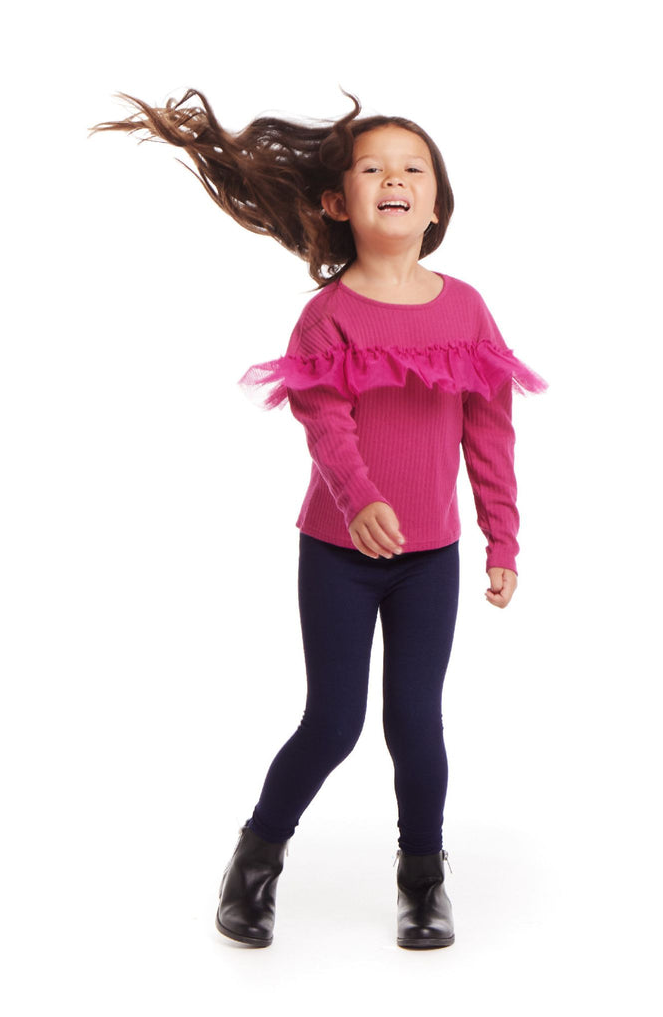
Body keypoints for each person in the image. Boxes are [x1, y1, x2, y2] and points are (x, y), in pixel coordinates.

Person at [89, 89, 547, 949]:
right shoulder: (328, 316)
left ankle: (423, 879)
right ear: (338, 203)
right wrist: (362, 498)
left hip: (431, 558)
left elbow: (490, 431)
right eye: (372, 169)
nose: (394, 179)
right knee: (334, 722)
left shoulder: (468, 309)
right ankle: (255, 860)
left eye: (413, 169)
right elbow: (326, 425)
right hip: (339, 554)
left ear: (437, 204)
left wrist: (503, 537)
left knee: (416, 722)